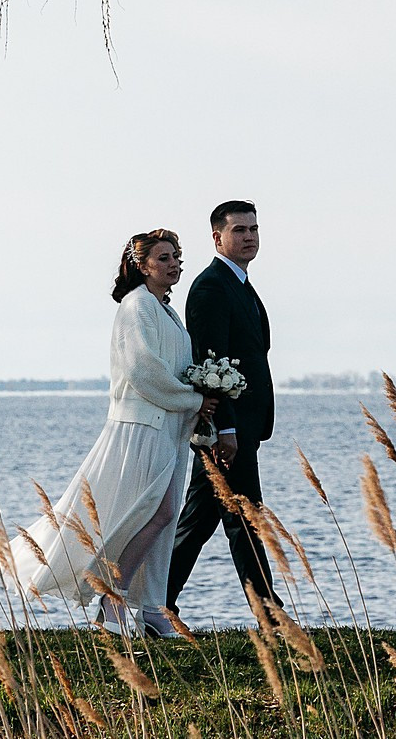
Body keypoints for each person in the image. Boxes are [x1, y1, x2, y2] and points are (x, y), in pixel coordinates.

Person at [0, 229, 211, 637]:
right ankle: (111, 604)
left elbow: (176, 370)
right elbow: (143, 371)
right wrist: (194, 400)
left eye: (176, 257)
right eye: (163, 258)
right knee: (149, 512)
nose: (173, 264)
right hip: (140, 427)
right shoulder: (136, 307)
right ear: (141, 264)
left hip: (168, 428)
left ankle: (150, 608)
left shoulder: (165, 310)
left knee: (163, 518)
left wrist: (197, 399)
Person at [167, 200, 277, 613]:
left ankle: (156, 602)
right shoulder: (212, 286)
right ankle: (268, 613)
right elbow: (212, 363)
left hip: (244, 427)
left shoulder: (242, 285)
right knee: (244, 516)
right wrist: (225, 430)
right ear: (217, 237)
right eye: (239, 230)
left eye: (253, 229)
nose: (249, 236)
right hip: (229, 431)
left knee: (200, 521)